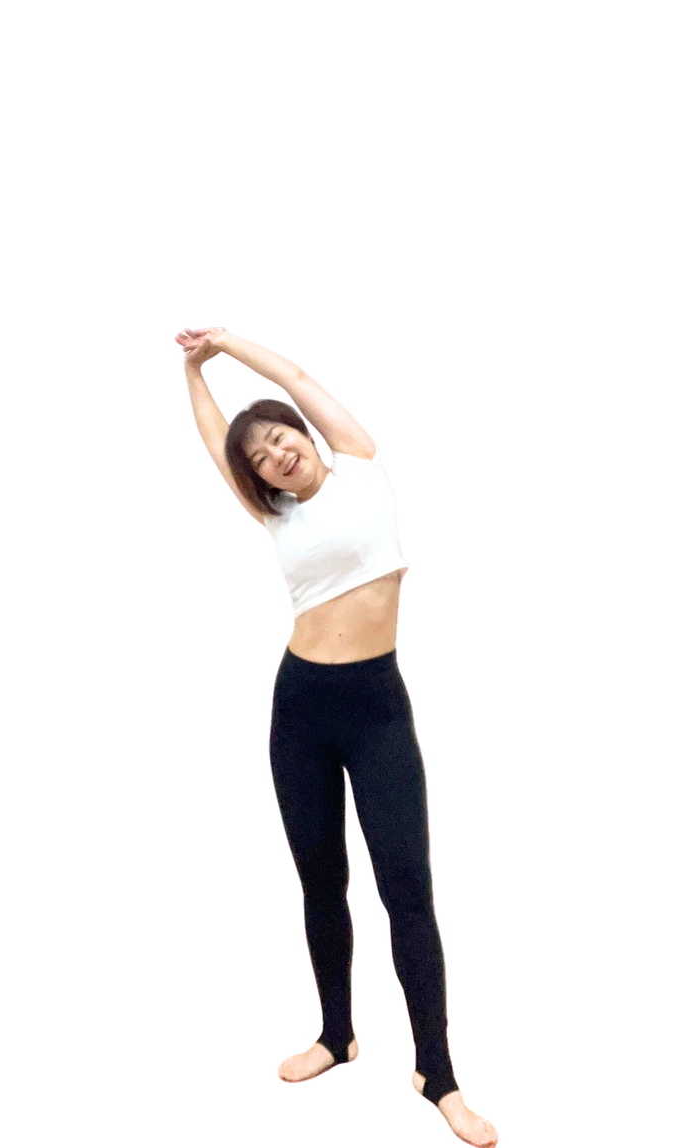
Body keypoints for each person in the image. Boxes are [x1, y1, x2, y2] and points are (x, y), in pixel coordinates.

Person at [175, 327, 500, 1148]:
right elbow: (216, 444)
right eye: (261, 457)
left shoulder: (359, 461)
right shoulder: (275, 515)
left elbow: (291, 376)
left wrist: (226, 343)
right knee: (320, 880)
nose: (275, 455)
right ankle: (335, 1036)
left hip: (377, 706)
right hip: (301, 706)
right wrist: (192, 373)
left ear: (304, 432)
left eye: (279, 437)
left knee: (407, 890)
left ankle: (438, 1075)